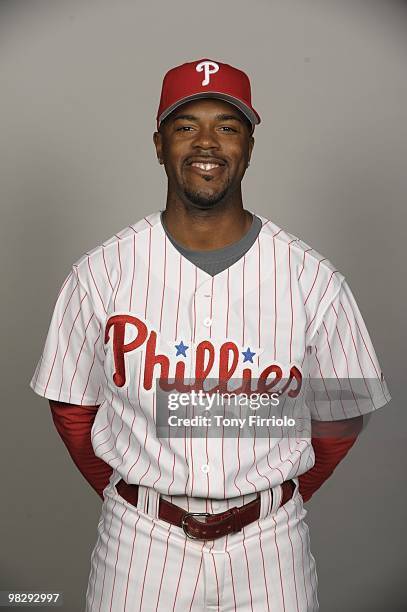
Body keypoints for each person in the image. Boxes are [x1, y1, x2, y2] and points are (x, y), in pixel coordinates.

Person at [30, 58, 391, 611]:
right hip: (139, 545)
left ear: (249, 145)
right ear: (158, 144)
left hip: (271, 544)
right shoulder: (101, 272)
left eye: (227, 126)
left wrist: (273, 496)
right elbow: (73, 411)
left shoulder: (312, 278)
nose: (206, 142)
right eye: (185, 126)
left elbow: (342, 415)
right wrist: (138, 494)